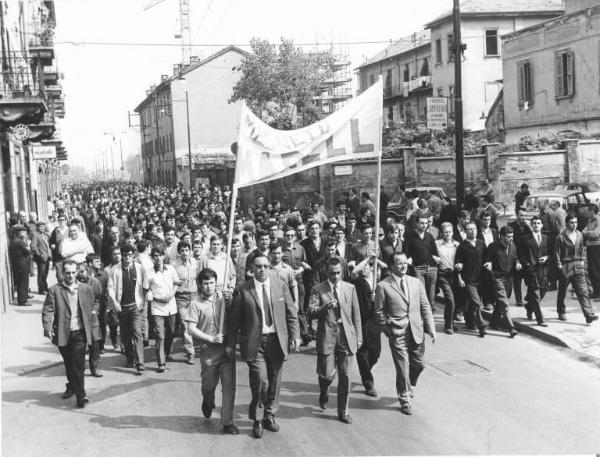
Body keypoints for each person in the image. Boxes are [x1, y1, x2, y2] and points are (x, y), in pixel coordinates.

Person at [226, 254, 300, 439]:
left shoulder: (280, 285)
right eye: (258, 266)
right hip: (254, 342)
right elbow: (234, 322)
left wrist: (295, 335)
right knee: (261, 381)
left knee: (274, 381)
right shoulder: (243, 290)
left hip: (277, 340)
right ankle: (257, 419)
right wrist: (229, 345)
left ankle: (269, 415)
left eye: (266, 266)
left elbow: (291, 312)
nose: (262, 269)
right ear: (252, 268)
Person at [374, 253, 435, 415]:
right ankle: (404, 398)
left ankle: (410, 383)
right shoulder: (383, 286)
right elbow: (379, 312)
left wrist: (431, 329)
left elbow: (425, 306)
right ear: (392, 266)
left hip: (416, 329)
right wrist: (388, 330)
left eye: (405, 263)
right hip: (397, 332)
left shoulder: (416, 282)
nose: (403, 266)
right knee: (402, 367)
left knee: (420, 364)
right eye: (399, 264)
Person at [308, 258, 362, 424]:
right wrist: (325, 308)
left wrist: (358, 337)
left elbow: (356, 315)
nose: (336, 276)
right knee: (327, 374)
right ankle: (324, 391)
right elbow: (311, 311)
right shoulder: (318, 289)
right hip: (327, 336)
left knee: (345, 375)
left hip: (346, 336)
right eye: (332, 273)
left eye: (339, 272)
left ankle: (343, 411)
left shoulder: (350, 288)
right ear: (326, 272)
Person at [185, 268, 238, 435]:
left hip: (227, 348)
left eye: (212, 283)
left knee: (229, 386)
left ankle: (227, 422)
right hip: (209, 351)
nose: (209, 286)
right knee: (208, 386)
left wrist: (230, 301)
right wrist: (211, 338)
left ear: (216, 283)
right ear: (200, 285)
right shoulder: (195, 303)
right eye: (206, 283)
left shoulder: (223, 298)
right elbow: (191, 329)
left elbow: (236, 315)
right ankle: (208, 400)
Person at [42, 260, 94, 408]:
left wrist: (93, 316)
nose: (70, 275)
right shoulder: (55, 290)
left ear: (76, 272)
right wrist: (47, 328)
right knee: (69, 363)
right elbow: (47, 310)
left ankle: (80, 395)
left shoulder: (85, 289)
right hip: (63, 334)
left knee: (78, 364)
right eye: (67, 273)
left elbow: (95, 301)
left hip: (80, 333)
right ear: (62, 273)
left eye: (73, 272)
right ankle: (71, 385)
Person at [107, 244, 147, 374]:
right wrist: (114, 302)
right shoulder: (115, 269)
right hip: (122, 307)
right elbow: (111, 288)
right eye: (124, 255)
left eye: (130, 255)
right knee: (125, 335)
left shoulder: (140, 268)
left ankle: (140, 363)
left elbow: (145, 284)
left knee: (137, 332)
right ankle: (130, 358)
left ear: (133, 255)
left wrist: (147, 297)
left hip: (136, 306)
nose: (127, 258)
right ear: (122, 256)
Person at [555, 215, 598, 324]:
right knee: (562, 291)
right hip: (566, 265)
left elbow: (582, 248)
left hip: (578, 264)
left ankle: (588, 314)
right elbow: (556, 253)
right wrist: (559, 264)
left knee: (583, 291)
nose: (574, 225)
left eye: (576, 222)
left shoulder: (579, 235)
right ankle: (561, 311)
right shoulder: (561, 237)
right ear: (566, 223)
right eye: (571, 223)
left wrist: (582, 260)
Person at [483, 226, 520, 337]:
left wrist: (517, 263)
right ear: (502, 236)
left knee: (502, 302)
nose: (511, 239)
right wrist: (489, 264)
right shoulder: (493, 246)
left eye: (512, 236)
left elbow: (515, 257)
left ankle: (494, 322)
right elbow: (488, 259)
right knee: (504, 302)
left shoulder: (513, 246)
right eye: (508, 237)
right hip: (497, 278)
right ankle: (511, 327)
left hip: (509, 278)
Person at [455, 222, 487, 337]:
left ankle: (469, 321)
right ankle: (481, 325)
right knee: (476, 302)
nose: (472, 231)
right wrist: (459, 277)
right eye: (469, 230)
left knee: (473, 303)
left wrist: (489, 263)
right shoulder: (462, 246)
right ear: (465, 232)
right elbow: (458, 263)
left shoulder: (481, 243)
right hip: (469, 280)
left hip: (481, 279)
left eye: (474, 229)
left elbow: (487, 258)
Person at [517, 216, 549, 326]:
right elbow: (521, 254)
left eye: (538, 223)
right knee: (536, 294)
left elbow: (550, 252)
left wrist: (546, 257)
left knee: (543, 291)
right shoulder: (525, 238)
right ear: (531, 225)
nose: (536, 225)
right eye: (534, 223)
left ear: (542, 225)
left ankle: (529, 306)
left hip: (543, 269)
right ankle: (540, 319)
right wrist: (527, 264)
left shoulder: (545, 238)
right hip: (531, 270)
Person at [404, 214, 440, 309]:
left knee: (431, 298)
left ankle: (429, 320)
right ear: (416, 223)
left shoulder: (429, 236)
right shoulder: (410, 237)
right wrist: (409, 260)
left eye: (426, 223)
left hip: (431, 268)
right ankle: (421, 319)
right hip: (418, 268)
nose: (424, 225)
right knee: (421, 295)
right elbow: (407, 253)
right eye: (422, 223)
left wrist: (436, 258)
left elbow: (434, 252)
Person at [173, 241, 200, 365]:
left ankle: (199, 346)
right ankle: (191, 352)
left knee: (196, 323)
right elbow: (171, 283)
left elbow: (200, 279)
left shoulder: (196, 263)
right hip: (181, 298)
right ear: (179, 252)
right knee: (185, 325)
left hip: (194, 296)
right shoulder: (174, 266)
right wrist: (180, 289)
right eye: (182, 250)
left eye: (186, 250)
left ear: (190, 251)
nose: (185, 253)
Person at [435, 223, 460, 334]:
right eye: (446, 232)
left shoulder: (458, 245)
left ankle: (450, 322)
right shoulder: (436, 244)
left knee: (454, 299)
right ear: (442, 233)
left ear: (453, 232)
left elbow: (461, 258)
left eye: (450, 232)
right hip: (442, 273)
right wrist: (433, 257)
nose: (448, 234)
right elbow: (429, 253)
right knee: (449, 298)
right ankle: (448, 326)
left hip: (454, 274)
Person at [509, 207, 532, 307]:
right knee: (517, 280)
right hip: (516, 255)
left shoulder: (527, 227)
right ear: (517, 215)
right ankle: (519, 299)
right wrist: (515, 259)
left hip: (526, 256)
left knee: (529, 278)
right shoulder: (512, 226)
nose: (523, 217)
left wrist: (530, 228)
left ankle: (528, 296)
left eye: (525, 215)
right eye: (521, 215)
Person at [9, 227, 32, 306]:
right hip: (22, 264)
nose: (25, 234)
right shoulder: (20, 242)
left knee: (20, 283)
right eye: (23, 233)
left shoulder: (13, 241)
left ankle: (22, 299)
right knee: (23, 283)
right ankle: (22, 301)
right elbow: (28, 251)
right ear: (19, 233)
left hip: (17, 264)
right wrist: (28, 244)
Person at [582, 204, 600, 299]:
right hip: (590, 246)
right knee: (591, 270)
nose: (587, 213)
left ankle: (599, 293)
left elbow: (596, 234)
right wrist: (588, 233)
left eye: (588, 211)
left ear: (592, 211)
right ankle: (596, 292)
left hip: (597, 247)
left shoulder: (599, 221)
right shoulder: (589, 221)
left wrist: (587, 234)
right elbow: (583, 231)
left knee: (597, 270)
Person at [30, 221, 52, 295]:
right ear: (37, 227)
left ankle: (45, 287)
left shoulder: (45, 234)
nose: (42, 228)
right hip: (41, 257)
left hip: (47, 256)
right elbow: (33, 246)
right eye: (40, 227)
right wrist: (39, 254)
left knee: (45, 273)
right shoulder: (35, 234)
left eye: (43, 226)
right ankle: (41, 289)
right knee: (41, 274)